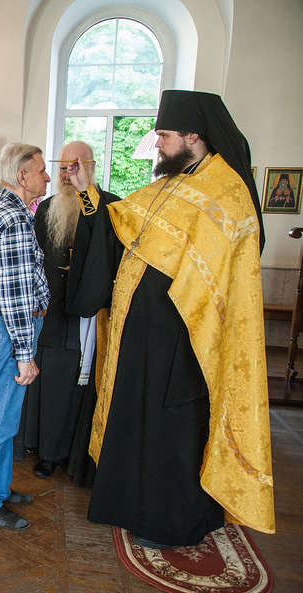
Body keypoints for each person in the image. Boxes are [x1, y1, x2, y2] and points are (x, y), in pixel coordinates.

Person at [65, 90, 274, 548]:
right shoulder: (172, 185)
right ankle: (129, 505)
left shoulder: (226, 191)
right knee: (138, 421)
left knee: (170, 430)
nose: (156, 143)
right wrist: (86, 192)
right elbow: (118, 225)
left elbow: (227, 273)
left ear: (193, 135)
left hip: (184, 341)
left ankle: (171, 521)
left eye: (164, 135)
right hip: (141, 338)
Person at [17, 141, 119, 485]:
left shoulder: (109, 206)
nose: (66, 174)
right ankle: (33, 442)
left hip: (83, 315)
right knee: (40, 378)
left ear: (90, 168)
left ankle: (57, 452)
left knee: (68, 384)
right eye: (62, 167)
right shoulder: (47, 208)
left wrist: (86, 192)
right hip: (47, 311)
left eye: (74, 167)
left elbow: (108, 250)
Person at [0, 142, 50, 530]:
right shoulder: (14, 218)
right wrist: (25, 354)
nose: (47, 177)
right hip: (8, 328)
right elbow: (16, 297)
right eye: (41, 170)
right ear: (22, 176)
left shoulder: (3, 211)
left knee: (3, 416)